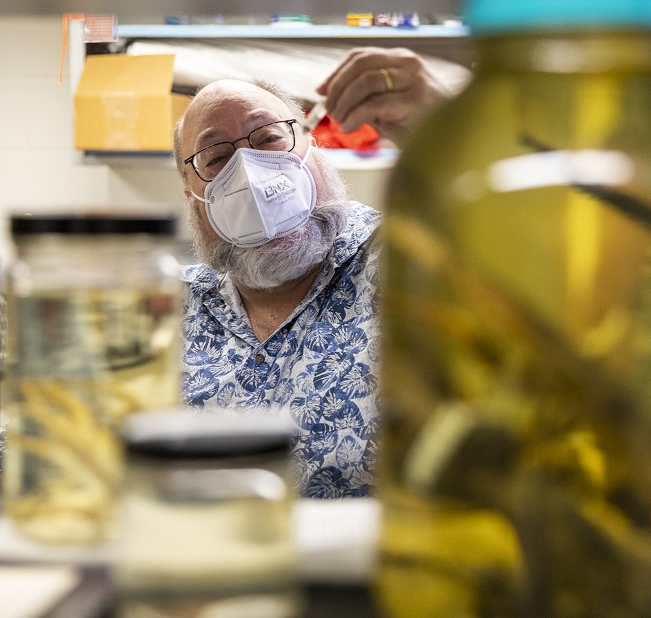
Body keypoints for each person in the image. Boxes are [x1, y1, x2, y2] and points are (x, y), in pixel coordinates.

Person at [175, 48, 451, 499]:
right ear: (192, 194)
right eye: (216, 157)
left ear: (313, 146)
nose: (250, 172)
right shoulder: (163, 311)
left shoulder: (412, 265)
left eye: (267, 139)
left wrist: (449, 134)